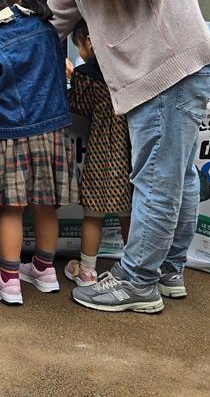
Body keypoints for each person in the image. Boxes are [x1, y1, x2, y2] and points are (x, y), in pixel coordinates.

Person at [6, 0, 210, 313]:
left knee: (157, 182)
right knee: (178, 177)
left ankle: (139, 282)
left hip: (167, 71)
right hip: (164, 72)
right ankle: (167, 271)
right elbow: (56, 24)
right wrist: (9, 30)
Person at [0, 0, 77, 306]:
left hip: (13, 131)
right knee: (46, 203)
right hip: (53, 128)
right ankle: (44, 270)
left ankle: (10, 281)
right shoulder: (43, 27)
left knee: (12, 209)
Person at [64, 22, 132, 287]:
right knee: (130, 214)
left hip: (105, 152)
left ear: (90, 43)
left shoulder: (87, 73)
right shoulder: (130, 70)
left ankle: (87, 271)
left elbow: (78, 105)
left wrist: (73, 78)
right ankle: (131, 268)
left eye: (79, 45)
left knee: (93, 214)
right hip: (135, 150)